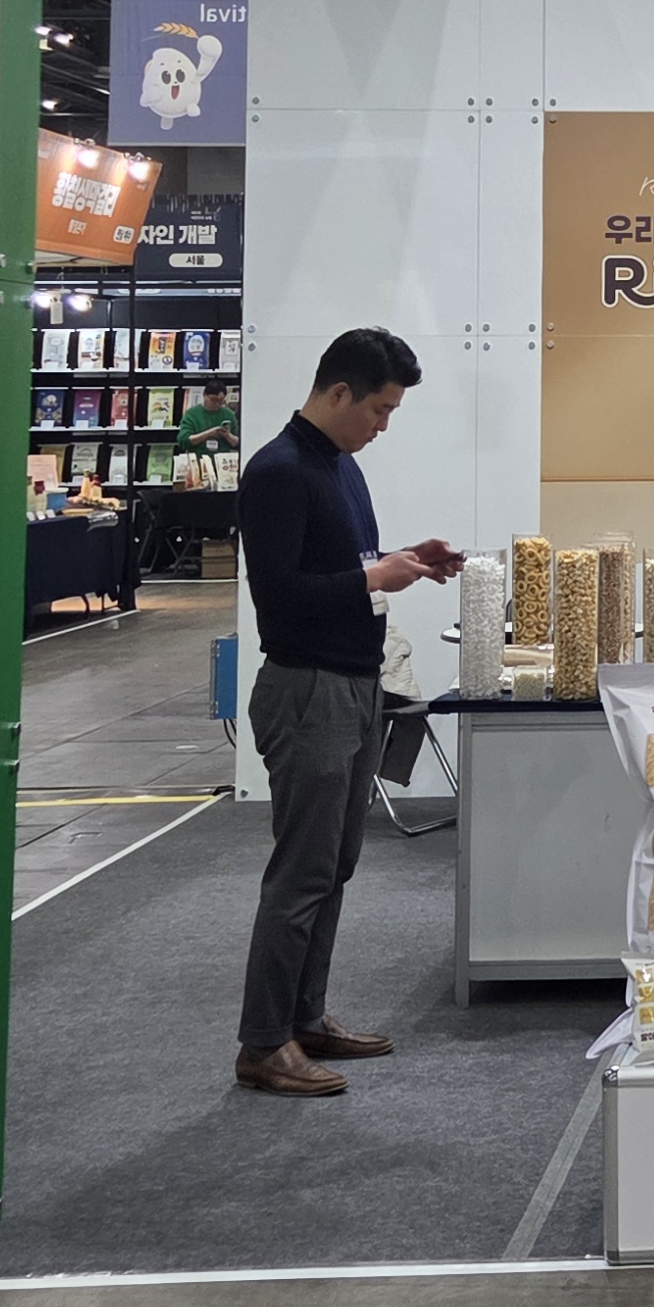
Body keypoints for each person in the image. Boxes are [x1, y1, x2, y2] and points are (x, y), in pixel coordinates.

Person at [232, 328, 462, 1100]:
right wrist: (375, 578)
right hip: (309, 689)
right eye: (379, 410)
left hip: (355, 686)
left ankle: (304, 1018)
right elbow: (280, 595)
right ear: (338, 393)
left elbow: (336, 564)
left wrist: (405, 560)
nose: (383, 426)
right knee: (301, 873)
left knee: (335, 866)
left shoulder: (339, 465)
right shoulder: (277, 472)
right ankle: (264, 1042)